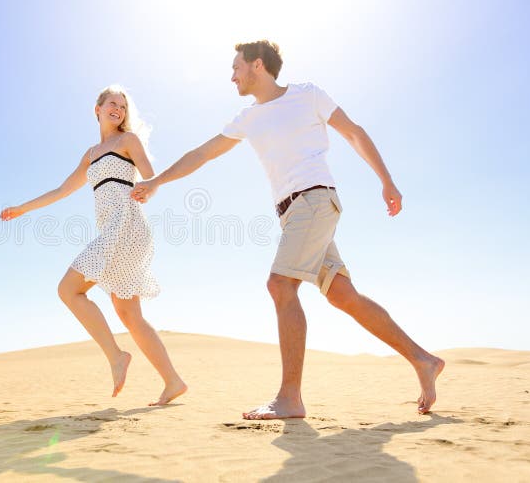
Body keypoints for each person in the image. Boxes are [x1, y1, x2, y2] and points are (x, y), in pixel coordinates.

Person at [131, 41, 444, 418]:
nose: (232, 76)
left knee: (281, 285)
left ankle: (290, 398)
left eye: (236, 67)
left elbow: (354, 133)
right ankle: (423, 360)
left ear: (257, 65)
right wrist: (159, 181)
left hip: (313, 201)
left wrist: (387, 180)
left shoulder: (308, 95)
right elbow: (203, 153)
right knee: (343, 295)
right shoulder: (248, 117)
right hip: (295, 213)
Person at [1, 85, 187, 406]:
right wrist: (23, 209)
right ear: (97, 109)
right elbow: (61, 190)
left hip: (127, 225)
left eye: (123, 106)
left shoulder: (127, 141)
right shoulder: (90, 155)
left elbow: (149, 176)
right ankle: (173, 381)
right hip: (112, 230)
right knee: (129, 314)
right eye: (112, 103)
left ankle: (116, 357)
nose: (118, 109)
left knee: (69, 289)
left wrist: (148, 189)